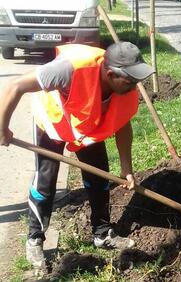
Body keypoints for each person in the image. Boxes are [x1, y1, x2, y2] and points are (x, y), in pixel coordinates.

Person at [0, 42, 154, 269]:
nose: (135, 86)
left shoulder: (124, 87)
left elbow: (122, 124)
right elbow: (15, 86)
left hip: (86, 124)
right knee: (46, 180)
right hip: (54, 119)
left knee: (99, 177)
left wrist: (126, 169)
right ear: (111, 74)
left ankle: (102, 233)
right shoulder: (69, 69)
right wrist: (2, 128)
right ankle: (35, 238)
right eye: (130, 81)